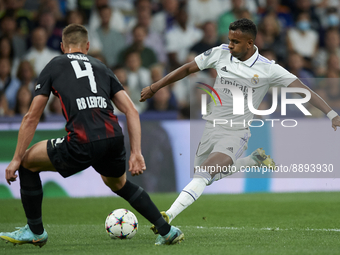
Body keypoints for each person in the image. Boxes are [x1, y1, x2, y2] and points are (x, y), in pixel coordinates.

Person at [140, 18, 340, 233]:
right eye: (229, 39)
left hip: (236, 132)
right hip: (212, 128)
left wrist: (331, 113)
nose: (230, 45)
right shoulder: (220, 53)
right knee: (205, 177)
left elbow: (303, 89)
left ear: (250, 43)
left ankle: (167, 216)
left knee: (204, 174)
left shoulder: (268, 69)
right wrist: (155, 86)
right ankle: (252, 160)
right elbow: (188, 68)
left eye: (235, 41)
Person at [0, 24, 184, 247]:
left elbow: (31, 117)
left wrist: (16, 158)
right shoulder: (101, 66)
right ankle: (167, 230)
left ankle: (35, 231)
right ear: (87, 46)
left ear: (62, 47)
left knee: (28, 162)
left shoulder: (55, 64)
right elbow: (132, 111)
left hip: (82, 141)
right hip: (114, 139)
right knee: (118, 184)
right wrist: (136, 152)